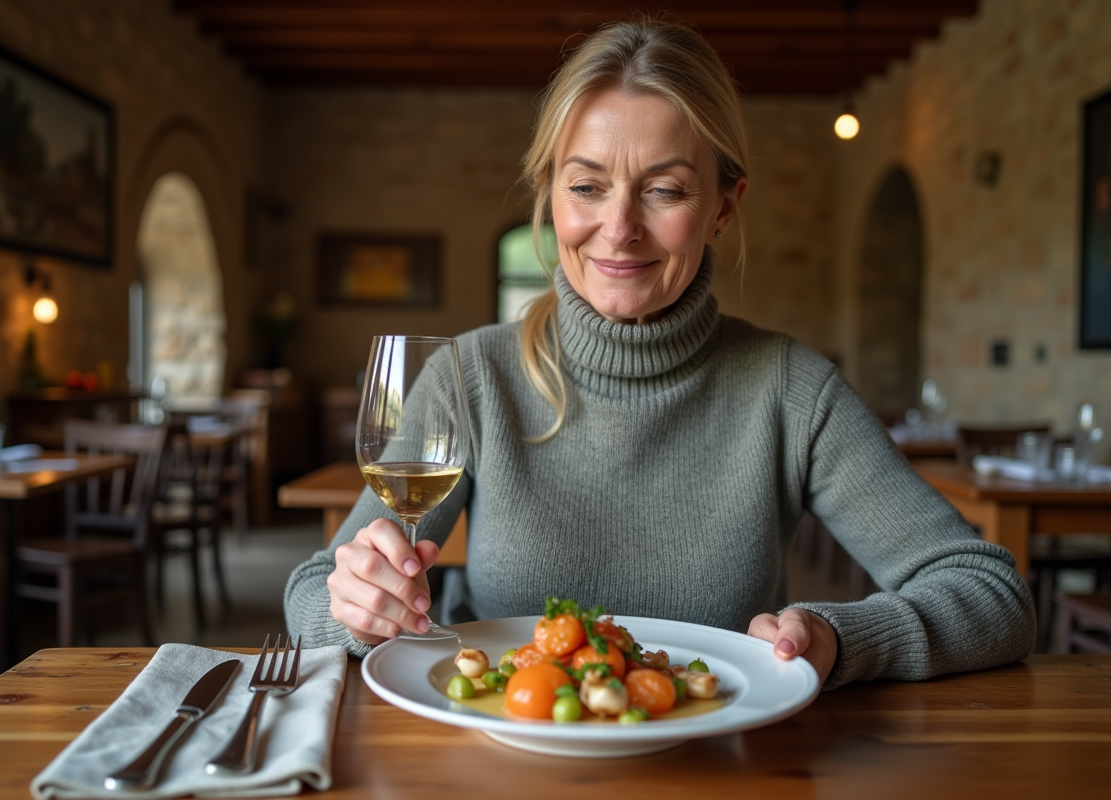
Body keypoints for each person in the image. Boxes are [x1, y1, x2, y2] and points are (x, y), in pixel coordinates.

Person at [285, 18, 1035, 690]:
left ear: (722, 208)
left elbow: (991, 591)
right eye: (586, 186)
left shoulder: (790, 390)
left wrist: (841, 638)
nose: (618, 228)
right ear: (550, 196)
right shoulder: (467, 377)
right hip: (505, 759)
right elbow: (313, 591)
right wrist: (355, 606)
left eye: (664, 191)